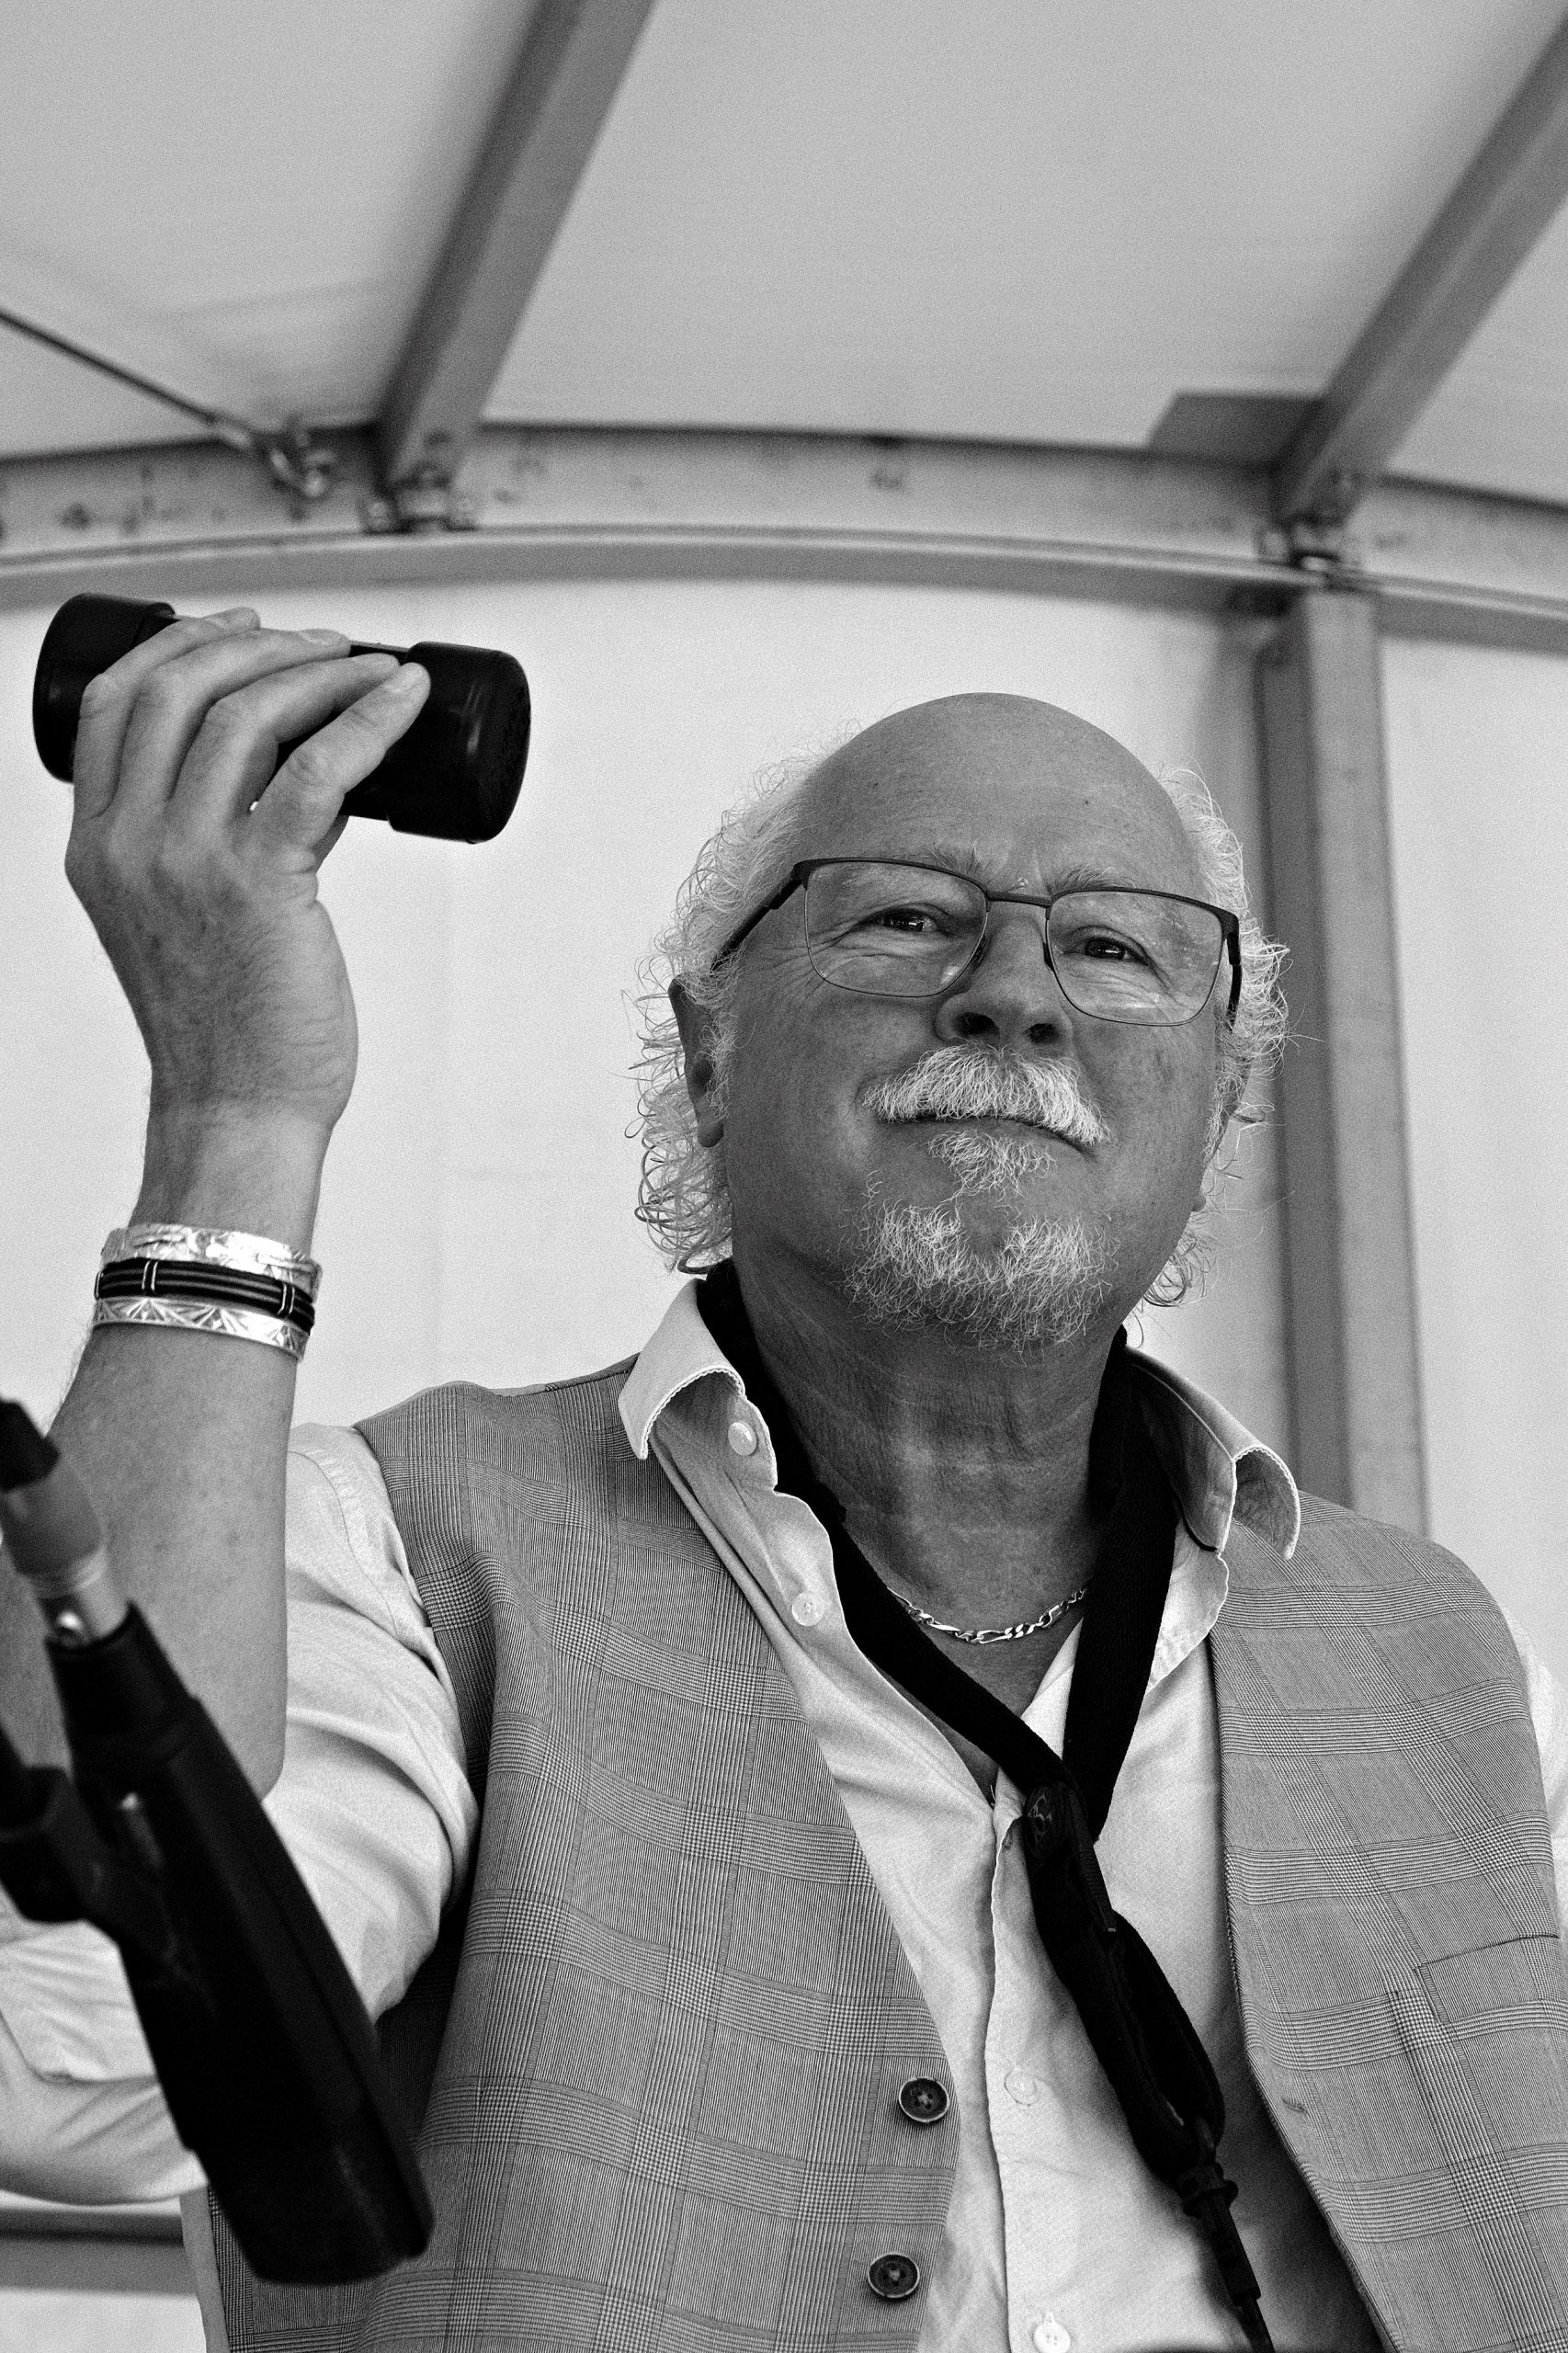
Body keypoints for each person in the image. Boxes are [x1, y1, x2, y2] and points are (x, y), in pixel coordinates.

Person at [0, 611, 1564, 2353]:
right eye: (904, 917)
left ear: (1217, 1107)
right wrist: (235, 1114)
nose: (1015, 992)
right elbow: (74, 2060)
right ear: (709, 1051)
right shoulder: (394, 1557)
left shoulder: (1453, 1667)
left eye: (1116, 949)